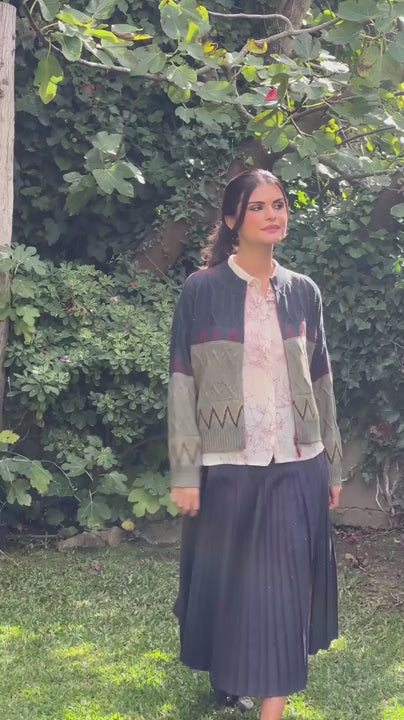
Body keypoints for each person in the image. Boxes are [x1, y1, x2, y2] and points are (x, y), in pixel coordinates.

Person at [168, 169, 342, 720]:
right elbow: (182, 383)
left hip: (298, 461)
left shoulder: (304, 292)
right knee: (234, 587)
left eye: (280, 204)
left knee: (287, 589)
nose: (273, 214)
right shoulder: (202, 290)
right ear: (232, 220)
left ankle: (272, 709)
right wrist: (185, 472)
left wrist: (333, 464)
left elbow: (321, 381)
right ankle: (232, 677)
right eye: (258, 206)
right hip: (229, 466)